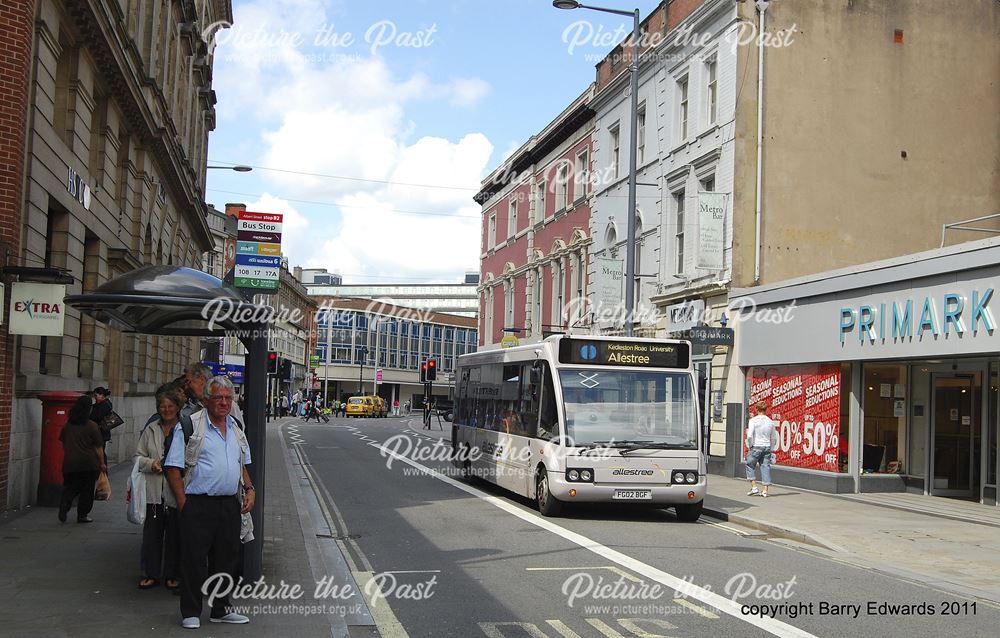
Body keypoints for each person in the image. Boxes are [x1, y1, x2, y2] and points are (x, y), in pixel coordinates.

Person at [165, 375, 254, 629]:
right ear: (206, 400)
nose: (224, 403)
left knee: (227, 559)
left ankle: (221, 609)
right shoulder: (190, 425)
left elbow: (242, 465)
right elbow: (173, 468)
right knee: (194, 559)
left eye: (228, 397)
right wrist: (184, 504)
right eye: (218, 398)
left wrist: (250, 489)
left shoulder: (236, 426)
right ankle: (191, 611)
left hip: (229, 504)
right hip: (198, 503)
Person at [135, 384, 185, 590]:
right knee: (152, 536)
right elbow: (137, 457)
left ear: (178, 406)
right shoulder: (151, 428)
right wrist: (151, 464)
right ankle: (151, 574)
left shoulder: (186, 428)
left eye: (170, 405)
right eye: (162, 406)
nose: (166, 410)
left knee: (175, 536)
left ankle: (172, 574)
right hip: (154, 492)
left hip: (176, 492)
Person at [58, 394, 106, 523]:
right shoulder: (91, 425)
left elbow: (63, 441)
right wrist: (102, 463)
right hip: (88, 464)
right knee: (87, 490)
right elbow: (98, 447)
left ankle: (65, 503)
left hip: (70, 463)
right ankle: (82, 515)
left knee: (71, 487)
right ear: (88, 409)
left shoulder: (68, 425)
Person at [745, 400, 778, 497]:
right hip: (767, 447)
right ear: (765, 409)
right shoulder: (770, 422)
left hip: (756, 446)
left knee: (750, 465)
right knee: (765, 467)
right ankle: (765, 490)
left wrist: (750, 445)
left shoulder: (753, 421)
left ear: (756, 409)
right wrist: (771, 449)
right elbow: (773, 438)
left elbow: (750, 435)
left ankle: (754, 487)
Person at [90, 387, 113, 460]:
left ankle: (103, 469)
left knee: (100, 452)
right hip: (100, 432)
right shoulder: (102, 404)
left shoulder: (104, 405)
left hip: (101, 432)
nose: (95, 397)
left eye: (96, 396)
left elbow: (96, 417)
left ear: (102, 395)